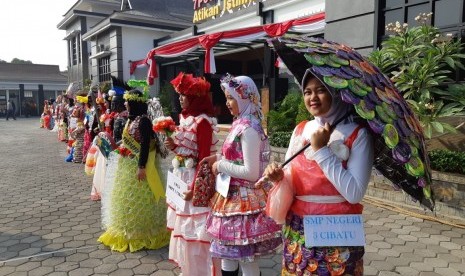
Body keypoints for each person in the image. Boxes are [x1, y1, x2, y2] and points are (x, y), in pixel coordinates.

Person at [263, 71, 374, 275]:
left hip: (339, 232)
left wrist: (322, 150)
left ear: (337, 92)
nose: (312, 97)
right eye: (307, 92)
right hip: (299, 228)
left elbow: (355, 193)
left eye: (321, 90)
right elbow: (291, 176)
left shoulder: (358, 134)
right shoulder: (300, 130)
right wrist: (280, 177)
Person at [202, 74, 281, 276]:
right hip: (231, 199)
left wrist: (220, 165)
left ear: (245, 98)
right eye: (227, 97)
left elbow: (251, 173)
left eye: (231, 98)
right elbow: (236, 156)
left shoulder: (248, 129)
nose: (228, 103)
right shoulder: (240, 123)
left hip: (244, 201)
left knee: (246, 261)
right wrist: (217, 157)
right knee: (228, 257)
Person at [98, 89, 169, 252]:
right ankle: (128, 229)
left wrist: (141, 167)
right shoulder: (132, 119)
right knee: (128, 198)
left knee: (144, 198)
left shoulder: (143, 121)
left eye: (127, 102)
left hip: (139, 167)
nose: (125, 104)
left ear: (134, 103)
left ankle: (143, 232)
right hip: (128, 166)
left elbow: (145, 145)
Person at [164, 72, 220, 276]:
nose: (180, 98)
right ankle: (189, 270)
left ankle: (203, 271)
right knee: (185, 228)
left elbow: (204, 158)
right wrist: (174, 146)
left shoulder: (203, 122)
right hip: (183, 176)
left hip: (196, 179)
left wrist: (195, 188)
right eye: (179, 94)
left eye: (183, 95)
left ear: (196, 98)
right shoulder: (186, 118)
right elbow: (187, 150)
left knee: (197, 230)